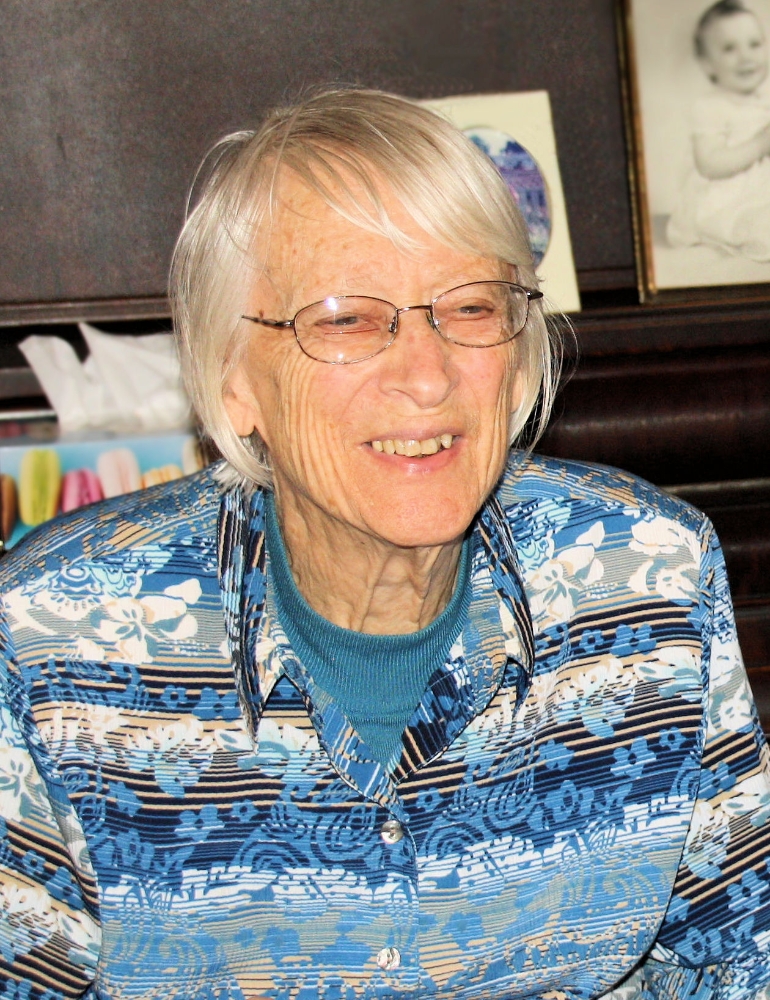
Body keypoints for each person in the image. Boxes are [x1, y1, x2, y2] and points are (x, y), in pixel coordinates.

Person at [1, 88, 769, 1000]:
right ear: (232, 380)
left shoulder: (646, 574)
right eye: (346, 319)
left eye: (471, 308)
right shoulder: (51, 638)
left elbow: (741, 955)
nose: (426, 375)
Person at [667, 0, 770, 259]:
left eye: (754, 44)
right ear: (707, 64)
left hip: (763, 188)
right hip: (727, 197)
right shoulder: (711, 107)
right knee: (754, 221)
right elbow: (709, 164)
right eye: (729, 48)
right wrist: (760, 144)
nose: (746, 57)